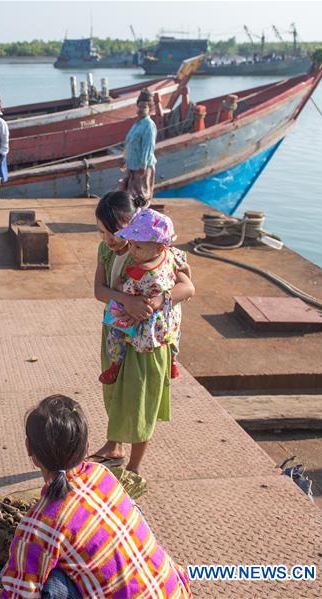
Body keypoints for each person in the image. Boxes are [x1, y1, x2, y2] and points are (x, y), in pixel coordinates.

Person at [0, 395, 192, 599]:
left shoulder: (39, 525)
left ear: (30, 450)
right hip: (176, 592)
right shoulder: (101, 475)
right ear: (85, 446)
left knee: (51, 585)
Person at [90, 191, 194, 475]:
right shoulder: (105, 251)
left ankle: (133, 468)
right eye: (102, 232)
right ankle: (114, 445)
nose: (109, 239)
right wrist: (127, 301)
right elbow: (99, 290)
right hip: (115, 334)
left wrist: (157, 301)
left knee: (139, 399)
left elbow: (187, 287)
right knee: (113, 392)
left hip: (147, 343)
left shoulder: (157, 251)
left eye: (115, 232)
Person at [101, 208, 186, 385]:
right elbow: (186, 275)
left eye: (137, 247)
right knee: (175, 333)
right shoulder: (171, 256)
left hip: (144, 322)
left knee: (115, 330)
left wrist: (118, 285)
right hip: (167, 319)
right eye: (130, 244)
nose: (132, 251)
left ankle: (116, 363)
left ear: (159, 247)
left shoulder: (142, 272)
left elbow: (126, 289)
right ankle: (173, 361)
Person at [121, 89, 158, 202]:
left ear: (150, 109)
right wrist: (124, 159)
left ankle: (143, 218)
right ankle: (135, 217)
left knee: (142, 195)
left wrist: (143, 166)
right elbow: (129, 142)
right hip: (132, 165)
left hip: (142, 167)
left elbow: (148, 147)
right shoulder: (137, 124)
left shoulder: (149, 125)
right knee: (132, 195)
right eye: (139, 107)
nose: (140, 110)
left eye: (144, 107)